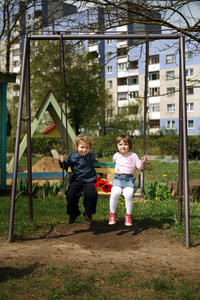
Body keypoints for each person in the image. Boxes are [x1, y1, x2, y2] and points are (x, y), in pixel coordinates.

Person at [59, 134, 98, 226]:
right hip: (77, 180)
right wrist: (62, 162)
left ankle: (88, 213)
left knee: (91, 193)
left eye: (87, 147)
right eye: (82, 147)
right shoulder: (72, 156)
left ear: (89, 147)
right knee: (70, 193)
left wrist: (102, 173)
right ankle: (74, 213)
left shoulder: (91, 156)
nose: (84, 149)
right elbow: (65, 167)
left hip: (89, 180)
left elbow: (96, 165)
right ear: (76, 147)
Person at [109, 135, 147, 226]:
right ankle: (112, 214)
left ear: (129, 145)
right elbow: (115, 164)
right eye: (120, 144)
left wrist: (142, 162)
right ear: (117, 146)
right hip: (118, 178)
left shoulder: (133, 155)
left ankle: (128, 216)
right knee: (114, 193)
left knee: (128, 194)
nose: (123, 146)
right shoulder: (116, 156)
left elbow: (139, 167)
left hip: (129, 179)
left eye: (125, 144)